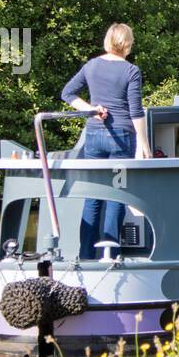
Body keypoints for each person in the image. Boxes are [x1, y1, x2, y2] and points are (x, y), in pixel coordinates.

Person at [61, 23, 152, 259]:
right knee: (117, 196)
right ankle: (110, 255)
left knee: (93, 196)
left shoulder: (91, 66)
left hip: (94, 136)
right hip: (121, 139)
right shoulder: (131, 71)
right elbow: (135, 112)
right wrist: (144, 145)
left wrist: (91, 109)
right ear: (128, 44)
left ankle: (85, 255)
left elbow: (67, 93)